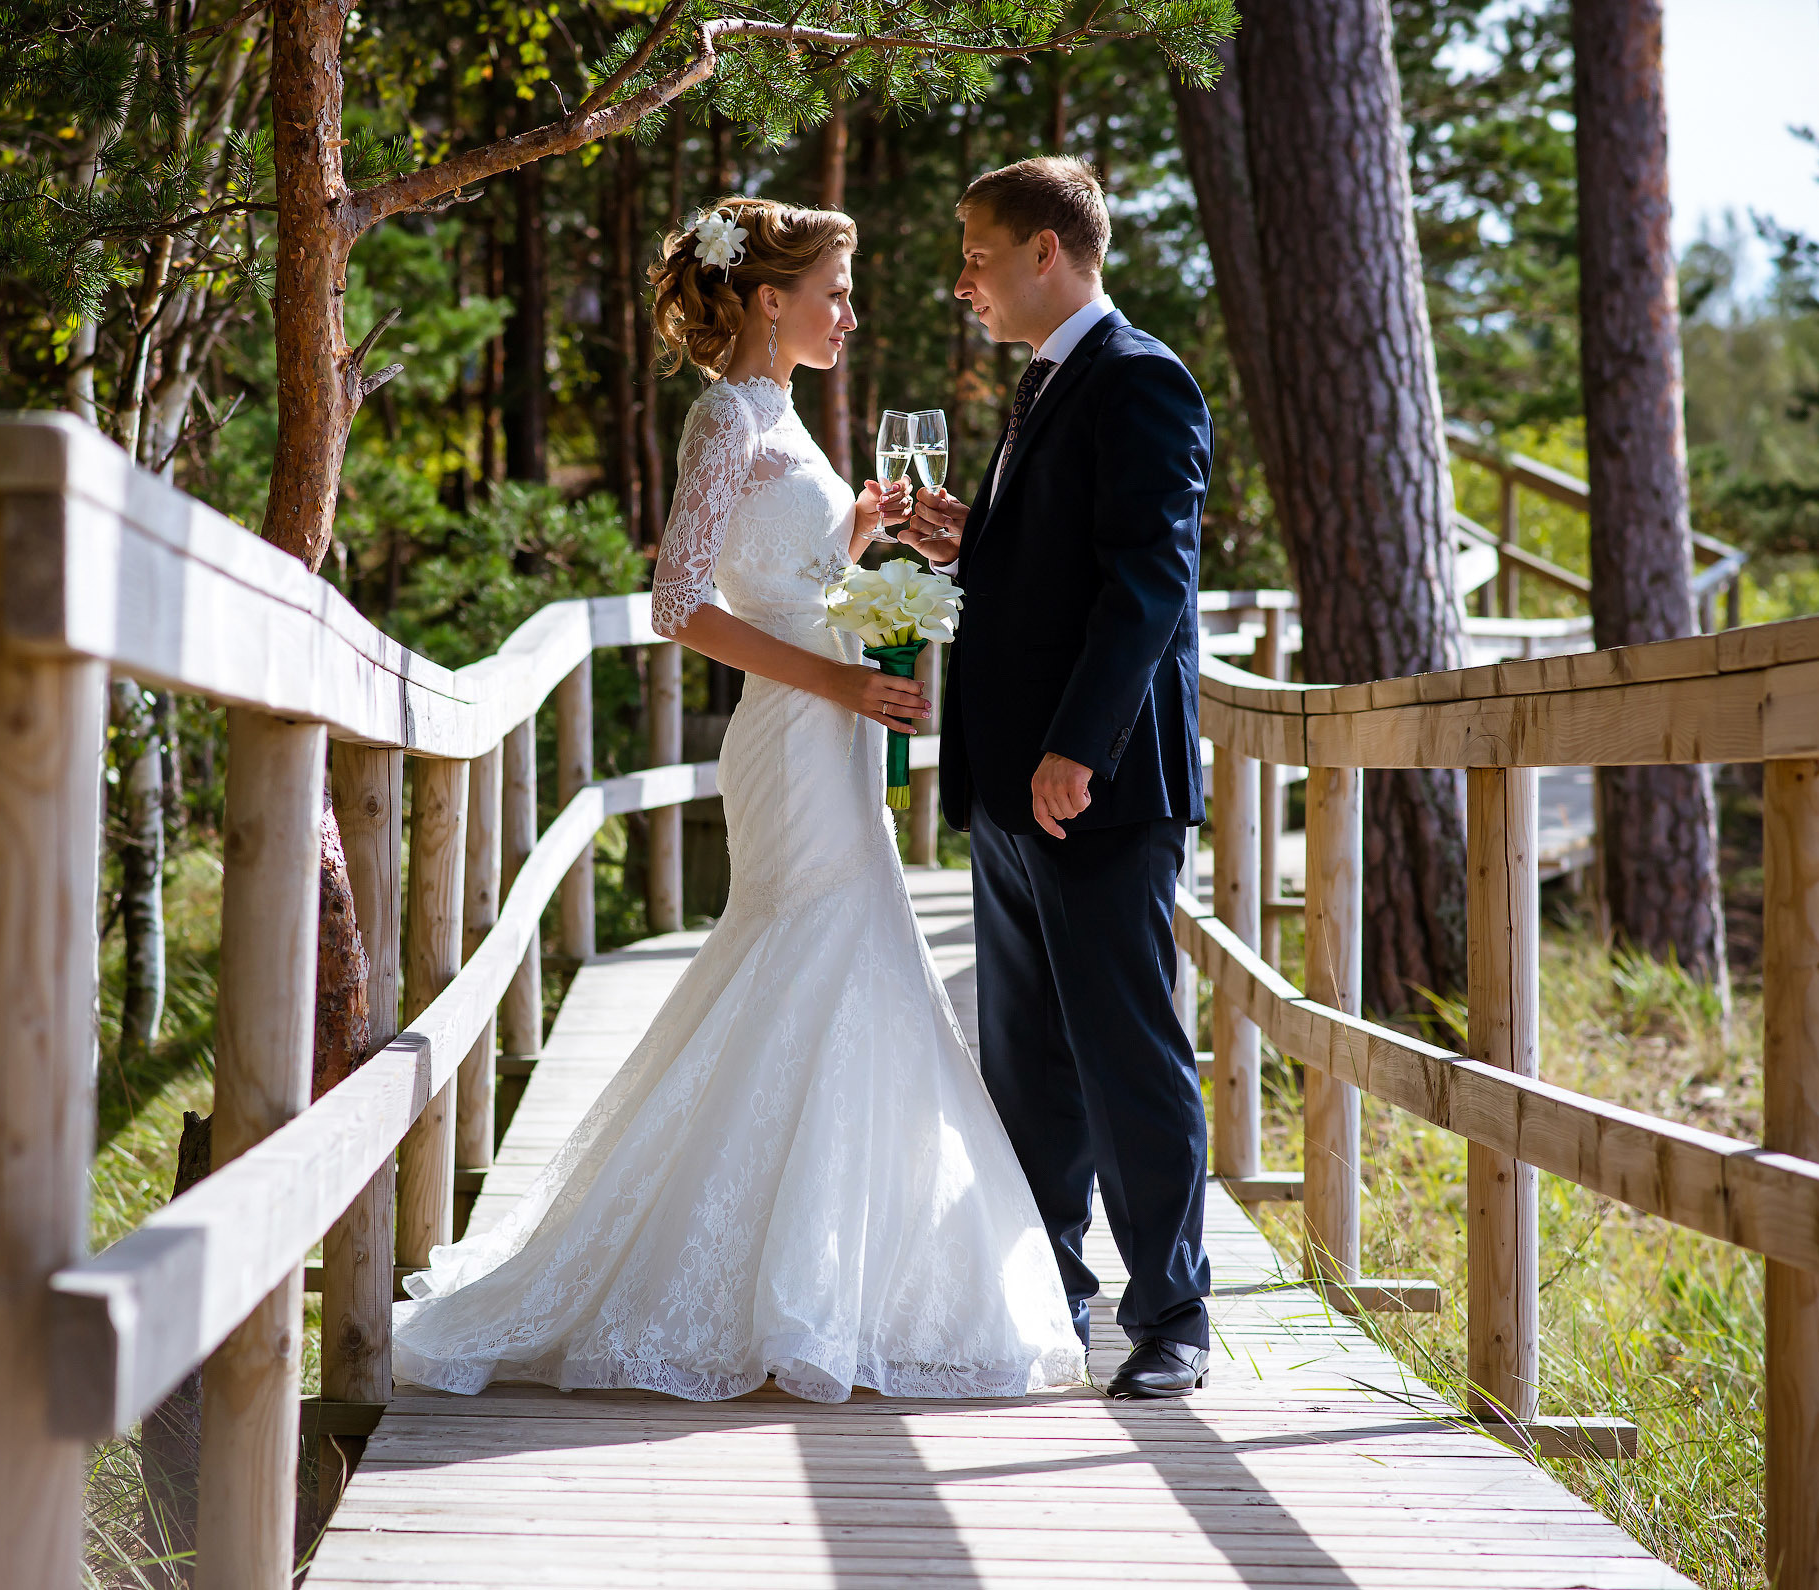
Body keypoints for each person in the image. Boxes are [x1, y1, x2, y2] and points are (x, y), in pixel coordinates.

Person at [389, 196, 1085, 1405]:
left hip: (827, 727)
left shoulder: (782, 416)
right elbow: (678, 604)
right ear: (770, 300)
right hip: (795, 734)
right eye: (832, 292)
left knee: (845, 959)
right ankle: (755, 1278)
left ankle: (820, 1272)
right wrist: (842, 678)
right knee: (821, 951)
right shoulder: (726, 416)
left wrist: (861, 535)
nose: (849, 315)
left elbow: (787, 575)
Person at [902, 156, 1217, 1400]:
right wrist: (963, 540)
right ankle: (1051, 1294)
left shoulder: (1141, 379)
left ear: (1047, 250)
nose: (962, 279)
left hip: (1097, 782)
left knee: (1127, 1048)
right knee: (1026, 1057)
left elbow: (1149, 582)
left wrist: (1078, 750)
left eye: (977, 252)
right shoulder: (1045, 384)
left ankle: (1175, 1317)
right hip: (1006, 784)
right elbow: (1054, 567)